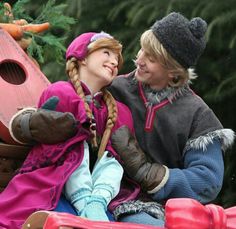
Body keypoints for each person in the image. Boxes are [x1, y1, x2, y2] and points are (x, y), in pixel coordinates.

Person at [9, 12, 235, 227]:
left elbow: (207, 181)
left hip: (155, 208)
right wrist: (28, 123)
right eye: (142, 50)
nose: (140, 59)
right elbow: (70, 94)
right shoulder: (115, 88)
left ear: (174, 72)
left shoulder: (197, 115)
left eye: (152, 58)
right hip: (95, 192)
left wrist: (151, 174)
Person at [0, 31, 142, 228]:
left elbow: (113, 165)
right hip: (53, 191)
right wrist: (84, 201)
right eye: (106, 52)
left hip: (100, 203)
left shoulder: (121, 112)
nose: (114, 61)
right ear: (82, 58)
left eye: (117, 58)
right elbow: (67, 155)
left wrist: (97, 203)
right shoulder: (61, 93)